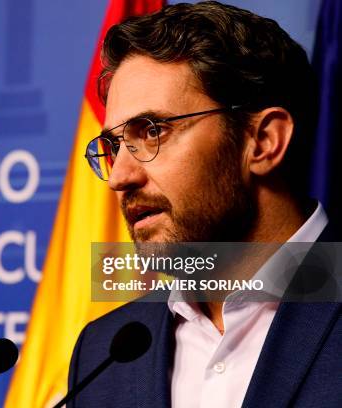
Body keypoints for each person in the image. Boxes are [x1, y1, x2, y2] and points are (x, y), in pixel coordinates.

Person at [69, 2, 341, 407]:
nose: (118, 178)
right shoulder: (103, 353)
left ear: (264, 142)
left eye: (153, 131)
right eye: (113, 147)